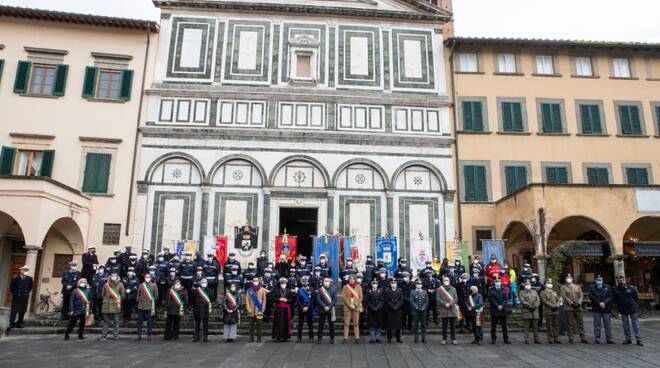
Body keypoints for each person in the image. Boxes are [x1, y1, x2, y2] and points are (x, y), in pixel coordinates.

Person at [613, 276, 643, 346]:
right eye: (620, 280)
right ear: (618, 281)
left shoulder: (631, 288)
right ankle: (628, 339)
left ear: (625, 280)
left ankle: (638, 339)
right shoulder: (615, 289)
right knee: (625, 325)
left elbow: (636, 297)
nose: (621, 281)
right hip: (623, 309)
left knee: (635, 324)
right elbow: (615, 299)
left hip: (632, 308)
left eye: (623, 280)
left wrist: (632, 303)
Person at [560, 274, 588, 343]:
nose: (569, 279)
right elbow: (564, 296)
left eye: (570, 278)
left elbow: (581, 295)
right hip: (569, 307)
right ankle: (571, 337)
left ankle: (583, 337)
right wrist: (571, 303)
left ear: (572, 279)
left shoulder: (577, 286)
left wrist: (579, 303)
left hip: (578, 307)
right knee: (570, 323)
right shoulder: (563, 287)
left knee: (580, 323)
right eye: (567, 278)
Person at [99, 272, 125, 341]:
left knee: (116, 321)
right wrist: (107, 298)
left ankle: (115, 336)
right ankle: (104, 335)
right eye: (112, 276)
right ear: (110, 276)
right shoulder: (106, 285)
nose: (113, 277)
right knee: (105, 321)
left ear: (117, 276)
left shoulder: (120, 285)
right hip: (106, 305)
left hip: (116, 304)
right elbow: (102, 294)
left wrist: (116, 298)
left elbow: (123, 295)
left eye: (115, 276)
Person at [589, 275, 614, 344]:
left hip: (606, 308)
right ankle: (597, 338)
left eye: (600, 280)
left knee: (607, 324)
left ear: (602, 280)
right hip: (597, 308)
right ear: (595, 281)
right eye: (597, 280)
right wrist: (599, 303)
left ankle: (609, 338)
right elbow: (591, 297)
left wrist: (604, 302)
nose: (599, 281)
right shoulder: (592, 287)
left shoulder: (607, 287)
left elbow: (610, 296)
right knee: (597, 324)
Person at [136, 273, 158, 341]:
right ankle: (139, 335)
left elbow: (156, 295)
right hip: (141, 305)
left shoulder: (154, 285)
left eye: (148, 277)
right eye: (146, 277)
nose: (147, 278)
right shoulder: (141, 285)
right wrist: (138, 300)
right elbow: (138, 295)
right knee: (139, 321)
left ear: (151, 278)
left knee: (149, 321)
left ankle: (149, 335)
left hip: (149, 305)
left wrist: (153, 301)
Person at [437, 275, 459, 345]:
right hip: (444, 309)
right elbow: (438, 299)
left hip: (452, 309)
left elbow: (456, 298)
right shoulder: (439, 289)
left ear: (449, 281)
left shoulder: (453, 289)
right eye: (445, 280)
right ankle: (444, 339)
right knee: (444, 326)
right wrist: (445, 304)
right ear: (443, 281)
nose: (446, 282)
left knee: (453, 326)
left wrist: (450, 304)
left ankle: (454, 339)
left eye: (447, 280)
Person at [488, 275, 510, 344]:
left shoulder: (504, 288)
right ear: (494, 281)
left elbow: (506, 299)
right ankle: (493, 339)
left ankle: (506, 339)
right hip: (495, 309)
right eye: (496, 281)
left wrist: (502, 306)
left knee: (504, 326)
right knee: (494, 326)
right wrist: (497, 306)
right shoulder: (491, 289)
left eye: (499, 281)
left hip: (503, 309)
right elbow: (491, 299)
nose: (498, 282)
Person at [342, 275, 363, 344]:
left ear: (355, 280)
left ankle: (357, 338)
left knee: (356, 323)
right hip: (347, 308)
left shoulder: (359, 287)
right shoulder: (345, 287)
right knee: (346, 323)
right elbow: (344, 297)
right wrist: (350, 305)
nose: (351, 280)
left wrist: (356, 304)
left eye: (353, 279)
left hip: (356, 308)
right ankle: (345, 338)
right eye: (350, 279)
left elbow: (361, 297)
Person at [272, 277, 295, 342]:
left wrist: (287, 300)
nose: (283, 284)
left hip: (286, 309)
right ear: (280, 284)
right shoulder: (276, 290)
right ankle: (277, 337)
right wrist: (279, 299)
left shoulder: (289, 291)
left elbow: (292, 300)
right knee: (278, 323)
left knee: (286, 323)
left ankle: (285, 336)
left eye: (284, 283)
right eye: (282, 283)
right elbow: (272, 298)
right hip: (278, 309)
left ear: (286, 284)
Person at [518, 279, 541, 344]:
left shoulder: (534, 292)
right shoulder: (521, 292)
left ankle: (536, 339)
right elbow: (522, 301)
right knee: (526, 327)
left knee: (535, 327)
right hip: (527, 311)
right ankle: (526, 339)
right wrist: (529, 306)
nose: (528, 285)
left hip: (535, 311)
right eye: (526, 284)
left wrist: (535, 306)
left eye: (529, 284)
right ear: (525, 285)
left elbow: (538, 300)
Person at [540, 279, 562, 344]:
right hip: (549, 310)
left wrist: (557, 305)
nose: (550, 284)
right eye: (548, 283)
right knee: (549, 325)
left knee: (556, 325)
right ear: (545, 284)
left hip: (556, 310)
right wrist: (552, 306)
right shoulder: (543, 292)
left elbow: (559, 300)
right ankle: (550, 338)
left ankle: (556, 338)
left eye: (550, 283)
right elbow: (544, 301)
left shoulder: (554, 292)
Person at [246, 276, 267, 342]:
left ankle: (259, 337)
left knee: (259, 324)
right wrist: (248, 308)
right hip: (251, 310)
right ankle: (251, 337)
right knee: (251, 325)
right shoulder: (249, 290)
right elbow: (247, 299)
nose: (255, 282)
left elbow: (264, 300)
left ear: (258, 281)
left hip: (259, 310)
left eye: (256, 280)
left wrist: (263, 309)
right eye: (254, 280)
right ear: (252, 281)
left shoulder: (262, 289)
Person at [317, 276, 337, 344]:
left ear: (330, 282)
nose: (326, 282)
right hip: (322, 310)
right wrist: (324, 306)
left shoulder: (334, 289)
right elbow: (318, 299)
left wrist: (329, 307)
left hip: (330, 310)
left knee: (331, 325)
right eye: (325, 281)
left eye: (327, 281)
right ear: (323, 282)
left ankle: (332, 338)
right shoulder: (320, 289)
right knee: (320, 325)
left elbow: (334, 300)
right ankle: (319, 338)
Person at [383, 278, 403, 343]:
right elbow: (386, 300)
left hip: (398, 310)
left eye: (394, 283)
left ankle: (398, 338)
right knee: (389, 325)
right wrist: (392, 306)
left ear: (396, 283)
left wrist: (397, 306)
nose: (393, 284)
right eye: (392, 283)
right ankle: (389, 338)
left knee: (398, 325)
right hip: (390, 310)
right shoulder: (387, 290)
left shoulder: (400, 290)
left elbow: (401, 299)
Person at [296, 276, 315, 343]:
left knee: (310, 324)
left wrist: (307, 307)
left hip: (309, 309)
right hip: (301, 309)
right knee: (300, 324)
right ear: (301, 282)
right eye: (303, 281)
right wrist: (302, 307)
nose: (305, 282)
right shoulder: (299, 290)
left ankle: (311, 337)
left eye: (306, 281)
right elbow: (298, 301)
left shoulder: (312, 289)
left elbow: (312, 300)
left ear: (308, 282)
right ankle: (299, 338)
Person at [192, 278, 212, 342]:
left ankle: (205, 337)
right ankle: (196, 336)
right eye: (203, 282)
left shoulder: (210, 290)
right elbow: (193, 299)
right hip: (197, 308)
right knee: (197, 324)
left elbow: (211, 299)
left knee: (205, 324)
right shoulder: (196, 290)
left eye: (205, 282)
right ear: (200, 283)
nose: (204, 283)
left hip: (205, 309)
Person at [410, 279, 428, 343]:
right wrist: (417, 307)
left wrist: (423, 307)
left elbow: (426, 301)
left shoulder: (424, 292)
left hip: (423, 311)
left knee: (423, 325)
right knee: (415, 325)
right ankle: (416, 338)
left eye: (420, 284)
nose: (419, 285)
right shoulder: (412, 292)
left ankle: (423, 338)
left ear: (422, 285)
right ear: (415, 285)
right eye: (417, 284)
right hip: (415, 311)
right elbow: (412, 301)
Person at [365, 279, 384, 343]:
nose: (375, 285)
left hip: (378, 310)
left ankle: (378, 338)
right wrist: (372, 307)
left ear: (377, 284)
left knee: (378, 325)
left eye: (376, 284)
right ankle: (372, 338)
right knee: (372, 325)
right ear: (371, 284)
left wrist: (378, 307)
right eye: (373, 283)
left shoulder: (380, 291)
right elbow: (367, 301)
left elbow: (382, 300)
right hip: (371, 310)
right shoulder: (368, 291)